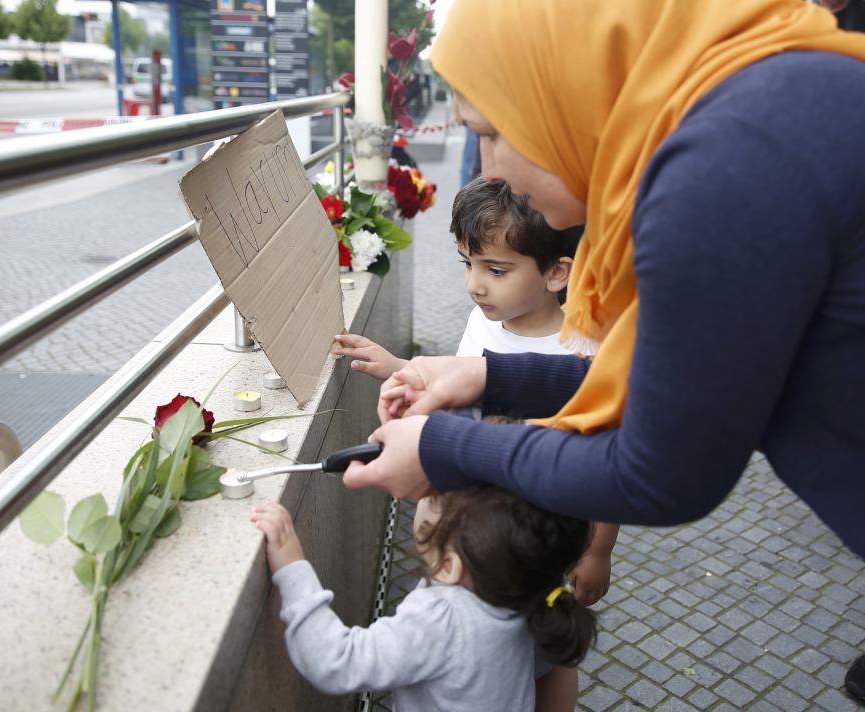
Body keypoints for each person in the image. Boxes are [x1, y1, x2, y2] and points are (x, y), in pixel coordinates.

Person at [340, 0, 865, 702]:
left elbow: (663, 471)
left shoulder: (721, 169)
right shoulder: (745, 108)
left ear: (563, 81)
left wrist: (443, 449)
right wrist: (486, 375)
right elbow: (676, 375)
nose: (491, 173)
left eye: (493, 132)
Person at [334, 177, 609, 710]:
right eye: (467, 264)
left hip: (540, 526)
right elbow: (457, 391)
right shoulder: (480, 324)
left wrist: (598, 551)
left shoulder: (582, 348)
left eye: (496, 270)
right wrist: (400, 370)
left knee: (547, 652)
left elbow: (603, 455)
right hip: (478, 521)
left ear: (557, 272)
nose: (475, 286)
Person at [251, 485, 596, 711]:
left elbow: (338, 660)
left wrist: (292, 563)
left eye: (431, 497)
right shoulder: (531, 592)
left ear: (448, 567)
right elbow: (548, 670)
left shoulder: (441, 617)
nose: (421, 496)